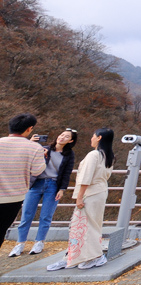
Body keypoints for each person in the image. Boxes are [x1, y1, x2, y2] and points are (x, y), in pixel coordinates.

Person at [47, 128, 115, 271]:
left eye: (93, 136)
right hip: (100, 192)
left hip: (90, 193)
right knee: (92, 225)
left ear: (99, 138)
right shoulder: (108, 155)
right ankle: (79, 256)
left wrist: (79, 197)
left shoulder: (94, 155)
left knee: (81, 226)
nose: (91, 138)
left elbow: (86, 178)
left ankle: (90, 256)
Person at [9, 128, 78, 257]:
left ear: (71, 140)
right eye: (61, 134)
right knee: (26, 215)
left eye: (66, 136)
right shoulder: (43, 149)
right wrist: (31, 143)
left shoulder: (69, 155)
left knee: (46, 216)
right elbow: (27, 158)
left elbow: (67, 173)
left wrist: (62, 189)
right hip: (36, 183)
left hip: (53, 185)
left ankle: (39, 242)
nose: (62, 137)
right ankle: (20, 244)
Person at [0, 114, 47, 252]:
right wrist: (42, 157)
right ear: (29, 129)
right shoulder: (34, 148)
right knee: (1, 229)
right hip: (13, 197)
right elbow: (37, 171)